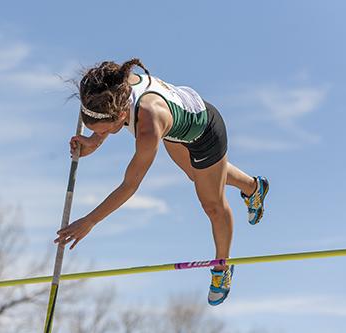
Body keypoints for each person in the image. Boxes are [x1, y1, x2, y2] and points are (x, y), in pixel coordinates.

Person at [54, 58, 269, 306]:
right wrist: (93, 141)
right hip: (177, 126)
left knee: (211, 202)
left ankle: (223, 268)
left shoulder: (148, 127)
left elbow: (130, 185)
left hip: (205, 132)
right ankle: (253, 187)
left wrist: (89, 221)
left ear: (122, 114)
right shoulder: (113, 90)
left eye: (105, 130)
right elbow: (107, 118)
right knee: (199, 174)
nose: (101, 133)